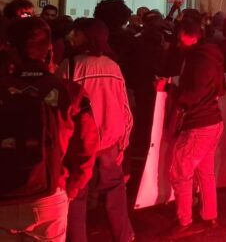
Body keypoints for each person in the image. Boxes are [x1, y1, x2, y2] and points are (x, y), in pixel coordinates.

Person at [0, 17, 98, 242]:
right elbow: (88, 144)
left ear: (12, 49)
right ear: (49, 50)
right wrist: (73, 186)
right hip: (50, 194)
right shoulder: (70, 91)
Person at [57, 18, 134, 242]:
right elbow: (125, 107)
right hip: (110, 140)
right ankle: (124, 235)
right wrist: (124, 142)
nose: (72, 37)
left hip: (80, 142)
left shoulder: (70, 66)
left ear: (85, 37)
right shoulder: (112, 66)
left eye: (76, 33)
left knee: (77, 194)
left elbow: (59, 109)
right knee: (115, 191)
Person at [164, 18, 225, 239]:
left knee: (180, 172)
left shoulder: (198, 59)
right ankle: (210, 215)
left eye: (179, 36)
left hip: (199, 124)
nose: (177, 40)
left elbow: (193, 94)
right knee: (205, 172)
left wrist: (170, 89)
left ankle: (184, 220)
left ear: (191, 36)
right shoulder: (211, 55)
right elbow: (219, 89)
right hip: (212, 121)